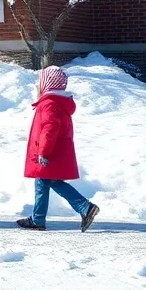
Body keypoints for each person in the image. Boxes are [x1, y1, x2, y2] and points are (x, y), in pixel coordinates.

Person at [16, 66, 100, 232]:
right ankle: (41, 218)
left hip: (49, 152)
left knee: (46, 182)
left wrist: (43, 152)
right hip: (56, 150)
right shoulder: (57, 103)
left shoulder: (49, 104)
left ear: (46, 84)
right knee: (46, 182)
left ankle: (82, 208)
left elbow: (49, 128)